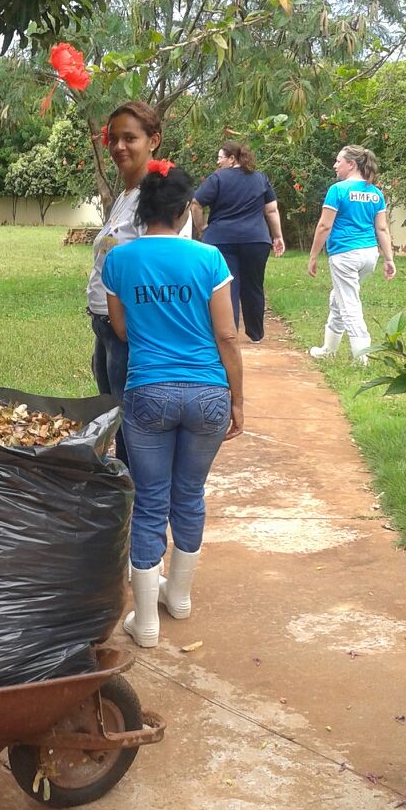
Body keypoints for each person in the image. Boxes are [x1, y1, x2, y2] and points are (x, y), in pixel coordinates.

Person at [101, 161, 244, 648]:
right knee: (189, 494)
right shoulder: (209, 260)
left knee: (148, 500)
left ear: (142, 210)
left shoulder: (119, 260)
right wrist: (237, 400)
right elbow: (226, 333)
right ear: (186, 208)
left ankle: (146, 623)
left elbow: (120, 329)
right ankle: (178, 596)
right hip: (208, 394)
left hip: (148, 393)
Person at [85, 102, 191, 459]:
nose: (119, 147)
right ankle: (125, 502)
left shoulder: (159, 199)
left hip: (131, 331)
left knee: (134, 429)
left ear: (154, 141)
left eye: (130, 138)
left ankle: (139, 507)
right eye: (113, 138)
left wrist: (133, 331)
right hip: (106, 327)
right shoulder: (127, 195)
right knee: (117, 422)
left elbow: (167, 268)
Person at [307, 145, 396, 362]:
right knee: (338, 298)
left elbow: (324, 227)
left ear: (351, 164)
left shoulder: (338, 190)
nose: (335, 165)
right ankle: (328, 350)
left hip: (345, 254)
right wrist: (389, 258)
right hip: (368, 255)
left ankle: (361, 357)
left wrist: (313, 255)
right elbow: (382, 229)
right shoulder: (375, 193)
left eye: (338, 161)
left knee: (349, 304)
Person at [190, 141, 285, 341]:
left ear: (232, 158)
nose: (217, 163)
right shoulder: (260, 178)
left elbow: (196, 203)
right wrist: (277, 236)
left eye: (220, 157)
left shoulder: (217, 178)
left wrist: (202, 228)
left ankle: (228, 334)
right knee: (253, 286)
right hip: (256, 240)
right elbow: (271, 210)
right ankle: (256, 334)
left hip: (221, 239)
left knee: (226, 285)